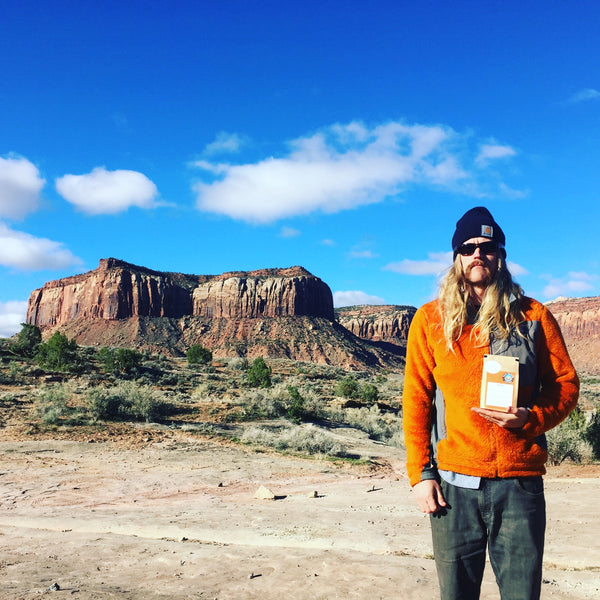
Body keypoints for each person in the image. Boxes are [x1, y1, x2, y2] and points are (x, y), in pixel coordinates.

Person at [402, 206, 579, 600]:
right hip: (452, 485)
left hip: (520, 486)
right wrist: (420, 474)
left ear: (501, 256)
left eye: (488, 247)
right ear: (456, 258)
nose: (477, 254)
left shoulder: (534, 316)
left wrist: (531, 419)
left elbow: (565, 385)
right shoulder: (430, 319)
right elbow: (417, 400)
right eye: (468, 248)